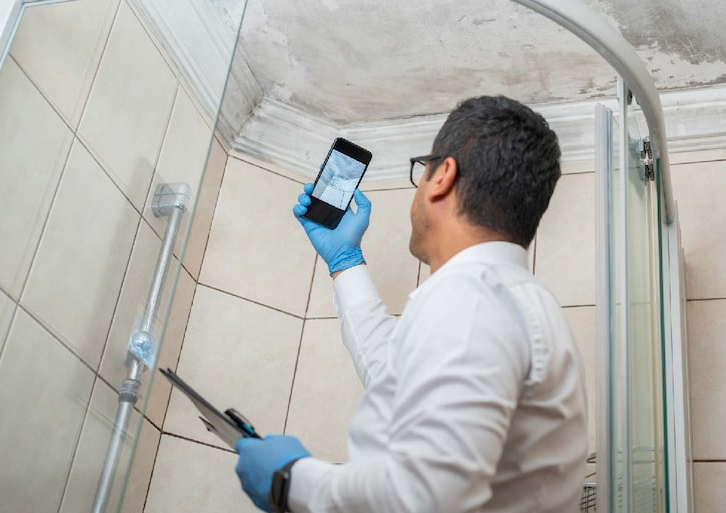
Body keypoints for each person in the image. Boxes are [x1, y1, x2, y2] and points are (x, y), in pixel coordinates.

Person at [234, 95, 588, 513]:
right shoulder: (506, 300)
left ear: (442, 177)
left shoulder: (473, 299)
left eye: (422, 171)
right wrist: (345, 264)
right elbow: (393, 377)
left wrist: (292, 481)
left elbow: (424, 495)